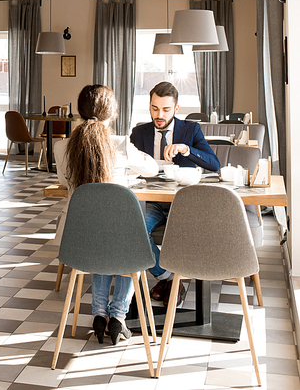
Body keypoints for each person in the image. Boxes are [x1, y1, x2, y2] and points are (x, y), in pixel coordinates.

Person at [54, 84, 158, 345]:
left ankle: (99, 313)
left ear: (79, 111)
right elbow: (153, 169)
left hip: (78, 238)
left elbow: (65, 183)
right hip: (118, 237)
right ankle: (118, 316)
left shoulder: (62, 147)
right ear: (112, 114)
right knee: (125, 244)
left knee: (102, 239)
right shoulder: (121, 144)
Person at [130, 81, 220, 307]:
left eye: (166, 109)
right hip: (151, 201)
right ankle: (168, 278)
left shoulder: (191, 130)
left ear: (176, 108)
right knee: (134, 230)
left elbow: (214, 164)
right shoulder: (139, 133)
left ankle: (167, 282)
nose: (159, 115)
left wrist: (185, 149)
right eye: (154, 108)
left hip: (184, 203)